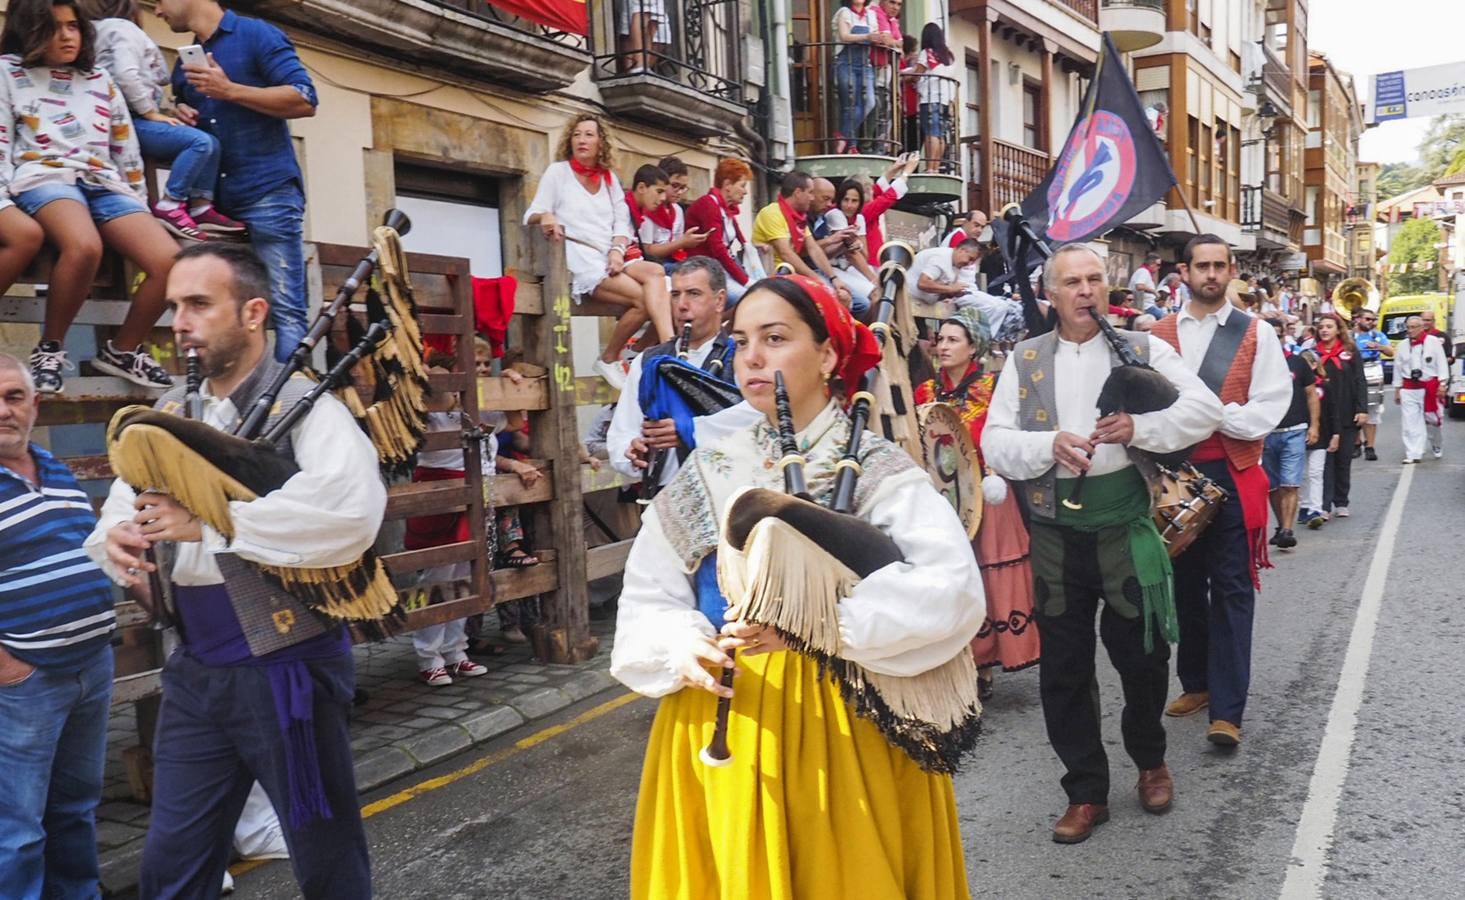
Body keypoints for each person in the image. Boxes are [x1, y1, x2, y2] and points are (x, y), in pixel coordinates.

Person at [612, 273, 982, 897]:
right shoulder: (711, 467)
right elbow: (650, 594)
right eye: (742, 339)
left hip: (847, 718)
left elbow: (952, 591)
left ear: (829, 354)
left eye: (775, 337)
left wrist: (820, 625)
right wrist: (681, 644)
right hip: (724, 713)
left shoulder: (878, 469)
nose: (751, 357)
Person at [86, 243, 379, 897]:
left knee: (324, 855)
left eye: (198, 304)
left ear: (253, 312)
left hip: (286, 665)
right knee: (173, 862)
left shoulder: (310, 411)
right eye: (173, 308)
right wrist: (121, 538)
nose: (180, 323)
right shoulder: (167, 414)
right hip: (195, 669)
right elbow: (120, 502)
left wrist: (216, 521)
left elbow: (350, 516)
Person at [982, 243, 1222, 843]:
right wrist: (1049, 447)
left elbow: (1204, 410)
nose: (1085, 290)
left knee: (1141, 661)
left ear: (1106, 287)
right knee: (1063, 671)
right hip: (1055, 538)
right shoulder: (1025, 358)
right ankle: (1086, 791)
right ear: (1051, 292)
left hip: (1124, 532)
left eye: (1094, 279)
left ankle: (1150, 761)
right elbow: (994, 443)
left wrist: (1142, 427)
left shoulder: (1142, 346)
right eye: (1072, 282)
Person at [1153, 234, 1290, 748]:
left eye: (1218, 265)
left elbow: (1270, 406)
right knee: (1185, 586)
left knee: (1232, 588)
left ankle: (1228, 708)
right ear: (1184, 272)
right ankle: (1199, 684)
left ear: (1231, 270)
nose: (1210, 274)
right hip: (1176, 477)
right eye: (1200, 266)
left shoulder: (1257, 333)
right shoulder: (1160, 333)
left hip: (1232, 473)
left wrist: (1213, 415)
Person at [0, 0, 178, 394]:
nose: (67, 36)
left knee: (171, 263)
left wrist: (137, 201)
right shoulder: (8, 72)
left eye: (73, 27)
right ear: (30, 30)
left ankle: (122, 349)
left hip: (104, 183)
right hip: (45, 176)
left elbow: (123, 143)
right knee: (83, 246)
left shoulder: (100, 78)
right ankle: (50, 348)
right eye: (54, 27)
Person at [0, 354, 118, 899]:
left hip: (91, 668)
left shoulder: (54, 469)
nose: (4, 411)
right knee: (16, 832)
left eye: (14, 397)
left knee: (74, 809)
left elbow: (91, 550)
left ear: (35, 404)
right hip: (27, 681)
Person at [158, 0, 319, 362]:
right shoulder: (185, 65)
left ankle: (289, 412)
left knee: (287, 312)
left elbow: (305, 98)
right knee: (225, 317)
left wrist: (230, 90)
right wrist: (181, 116)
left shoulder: (256, 34)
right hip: (214, 210)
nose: (157, 10)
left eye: (160, 0)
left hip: (267, 193)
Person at [913, 307, 1038, 699]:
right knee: (950, 578)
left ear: (974, 347)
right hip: (941, 500)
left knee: (988, 576)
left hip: (988, 494)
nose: (943, 346)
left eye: (953, 339)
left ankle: (984, 664)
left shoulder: (993, 390)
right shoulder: (925, 393)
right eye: (941, 339)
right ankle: (956, 660)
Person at [526, 114, 673, 388]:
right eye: (577, 134)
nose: (582, 140)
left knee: (657, 280)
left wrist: (617, 250)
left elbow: (621, 221)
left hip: (608, 255)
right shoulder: (558, 172)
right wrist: (546, 215)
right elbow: (532, 213)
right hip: (577, 255)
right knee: (643, 299)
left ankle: (658, 347)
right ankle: (611, 357)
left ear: (600, 142)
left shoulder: (609, 179)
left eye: (589, 134)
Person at [85, 0, 247, 241]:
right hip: (129, 120)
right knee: (201, 143)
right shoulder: (121, 28)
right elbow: (126, 75)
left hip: (110, 122)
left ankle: (201, 207)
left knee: (209, 143)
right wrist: (150, 111)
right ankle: (171, 203)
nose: (157, 11)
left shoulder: (96, 36)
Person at [607, 258, 745, 491]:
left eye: (693, 294)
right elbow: (622, 433)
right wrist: (631, 450)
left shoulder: (743, 357)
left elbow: (755, 423)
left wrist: (689, 430)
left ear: (719, 300)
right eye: (675, 295)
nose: (682, 305)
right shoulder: (649, 361)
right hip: (664, 495)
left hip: (727, 495)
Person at [405, 350, 494, 686]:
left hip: (471, 491)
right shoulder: (435, 409)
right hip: (439, 489)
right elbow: (432, 389)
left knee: (464, 575)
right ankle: (428, 655)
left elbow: (510, 420)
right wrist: (439, 373)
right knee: (436, 574)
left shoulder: (472, 410)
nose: (477, 373)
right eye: (467, 369)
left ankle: (456, 650)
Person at [1264, 317, 1320, 550]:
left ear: (1284, 336)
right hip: (1267, 432)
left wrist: (1314, 426)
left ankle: (1287, 529)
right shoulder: (1256, 365)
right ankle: (1280, 526)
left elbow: (1311, 395)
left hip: (1294, 431)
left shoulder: (1297, 363)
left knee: (1290, 484)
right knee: (1273, 487)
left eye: (1279, 335)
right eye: (1271, 336)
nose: (1276, 339)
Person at [1309, 313, 1367, 518]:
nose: (1324, 330)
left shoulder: (1350, 352)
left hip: (1347, 413)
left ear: (1338, 330)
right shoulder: (1311, 353)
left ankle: (1341, 501)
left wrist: (1362, 409)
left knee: (1343, 460)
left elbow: (1360, 380)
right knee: (1324, 462)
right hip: (1322, 417)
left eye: (1329, 326)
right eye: (1321, 327)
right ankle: (1323, 505)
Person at [750, 171, 844, 295]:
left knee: (843, 296)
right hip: (774, 279)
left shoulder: (799, 218)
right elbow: (786, 253)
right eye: (810, 192)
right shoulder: (772, 213)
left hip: (793, 276)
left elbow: (814, 249)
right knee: (834, 297)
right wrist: (818, 280)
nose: (812, 197)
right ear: (798, 193)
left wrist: (833, 278)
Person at [909, 240, 1023, 342]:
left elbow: (938, 286)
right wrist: (950, 289)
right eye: (970, 259)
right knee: (920, 342)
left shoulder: (953, 263)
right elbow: (923, 283)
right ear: (962, 250)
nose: (969, 264)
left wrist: (949, 294)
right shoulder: (941, 258)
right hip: (911, 302)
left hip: (923, 303)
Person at [685, 157, 754, 306]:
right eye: (742, 185)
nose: (745, 192)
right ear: (727, 185)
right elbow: (719, 250)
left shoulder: (725, 209)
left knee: (752, 297)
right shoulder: (709, 205)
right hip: (703, 272)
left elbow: (739, 238)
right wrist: (746, 281)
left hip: (717, 270)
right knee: (747, 299)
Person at [822, 177, 884, 314]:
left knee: (881, 295)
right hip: (830, 268)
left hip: (849, 267)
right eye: (846, 200)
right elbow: (851, 253)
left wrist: (856, 245)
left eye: (854, 201)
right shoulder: (835, 214)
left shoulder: (859, 218)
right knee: (874, 294)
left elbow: (864, 253)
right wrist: (873, 279)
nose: (849, 205)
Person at [831, 0, 886, 154]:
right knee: (849, 104)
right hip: (845, 62)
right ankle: (852, 147)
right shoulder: (844, 13)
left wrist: (882, 38)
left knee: (869, 101)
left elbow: (876, 36)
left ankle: (842, 135)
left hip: (864, 64)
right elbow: (844, 36)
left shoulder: (871, 15)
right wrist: (868, 36)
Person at [1395, 314, 1450, 464]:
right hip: (1409, 388)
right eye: (1408, 327)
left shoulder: (1433, 342)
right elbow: (1398, 368)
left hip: (1429, 387)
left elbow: (1442, 364)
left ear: (1421, 328)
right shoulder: (1402, 345)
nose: (1410, 330)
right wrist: (1397, 389)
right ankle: (1413, 453)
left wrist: (1442, 384)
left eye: (1413, 327)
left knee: (1433, 420)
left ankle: (1436, 443)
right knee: (1409, 422)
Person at [910, 22, 955, 173]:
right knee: (940, 134)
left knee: (931, 133)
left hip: (930, 98)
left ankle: (929, 167)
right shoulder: (948, 56)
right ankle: (935, 168)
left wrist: (908, 76)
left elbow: (917, 74)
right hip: (945, 99)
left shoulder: (927, 53)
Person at [1351, 309, 1392, 461]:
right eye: (1368, 319)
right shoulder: (1349, 336)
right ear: (1358, 319)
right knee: (1352, 409)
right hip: (1353, 372)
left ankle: (1370, 446)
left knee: (1371, 411)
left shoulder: (1377, 335)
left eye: (1373, 319)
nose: (1371, 322)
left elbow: (1390, 352)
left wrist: (1378, 346)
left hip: (1372, 372)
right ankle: (1356, 444)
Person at [866, 0, 903, 151]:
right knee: (872, 109)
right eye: (892, 2)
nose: (895, 7)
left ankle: (878, 149)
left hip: (883, 73)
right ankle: (866, 147)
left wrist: (893, 42)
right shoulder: (875, 12)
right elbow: (887, 41)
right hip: (870, 69)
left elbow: (900, 43)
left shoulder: (892, 20)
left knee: (883, 113)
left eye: (899, 4)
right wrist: (893, 42)